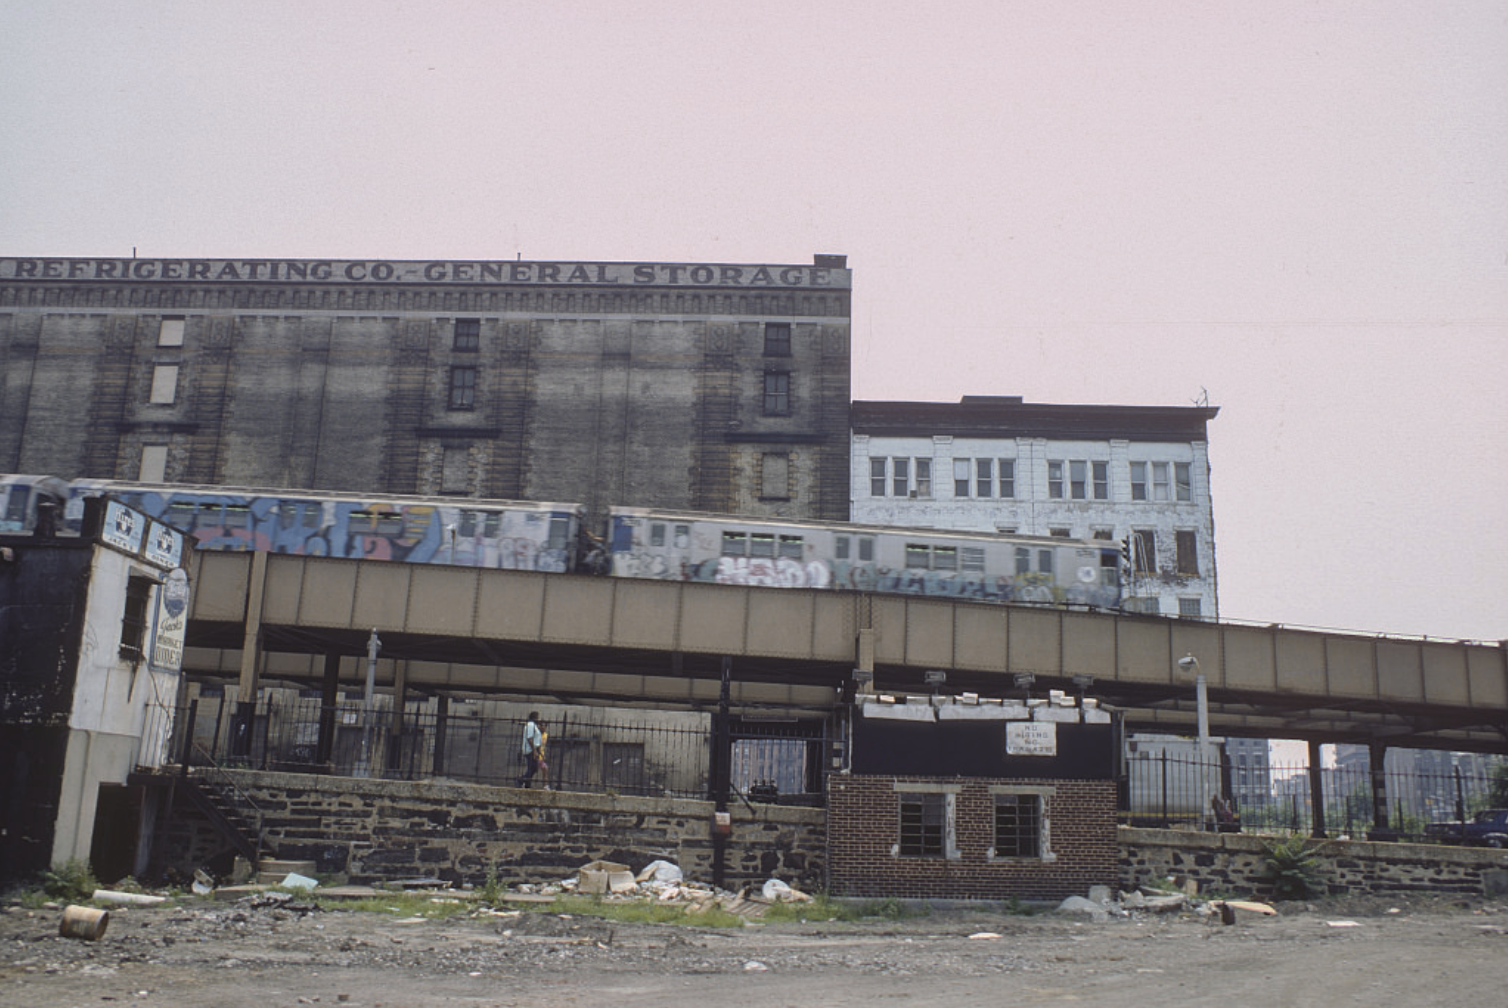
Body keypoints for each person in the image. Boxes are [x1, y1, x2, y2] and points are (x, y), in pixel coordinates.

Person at [516, 712, 546, 788]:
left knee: (533, 768)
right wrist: (534, 751)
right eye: (538, 717)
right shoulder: (530, 725)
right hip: (530, 750)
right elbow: (530, 739)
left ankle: (527, 783)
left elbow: (536, 739)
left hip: (534, 749)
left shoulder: (534, 726)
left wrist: (540, 752)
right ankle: (521, 780)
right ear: (535, 718)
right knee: (533, 767)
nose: (539, 719)